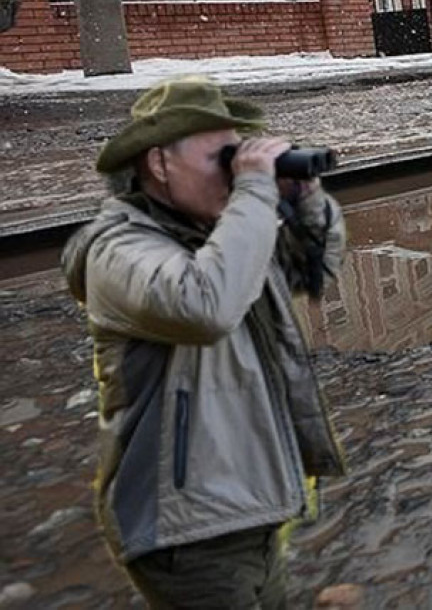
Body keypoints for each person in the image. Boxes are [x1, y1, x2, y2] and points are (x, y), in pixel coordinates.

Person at [61, 76, 346, 608]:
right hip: (186, 531)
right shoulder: (117, 249)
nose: (236, 171)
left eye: (240, 154)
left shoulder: (227, 233)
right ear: (159, 164)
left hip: (252, 509)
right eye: (223, 157)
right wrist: (256, 190)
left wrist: (302, 197)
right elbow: (204, 306)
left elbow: (316, 269)